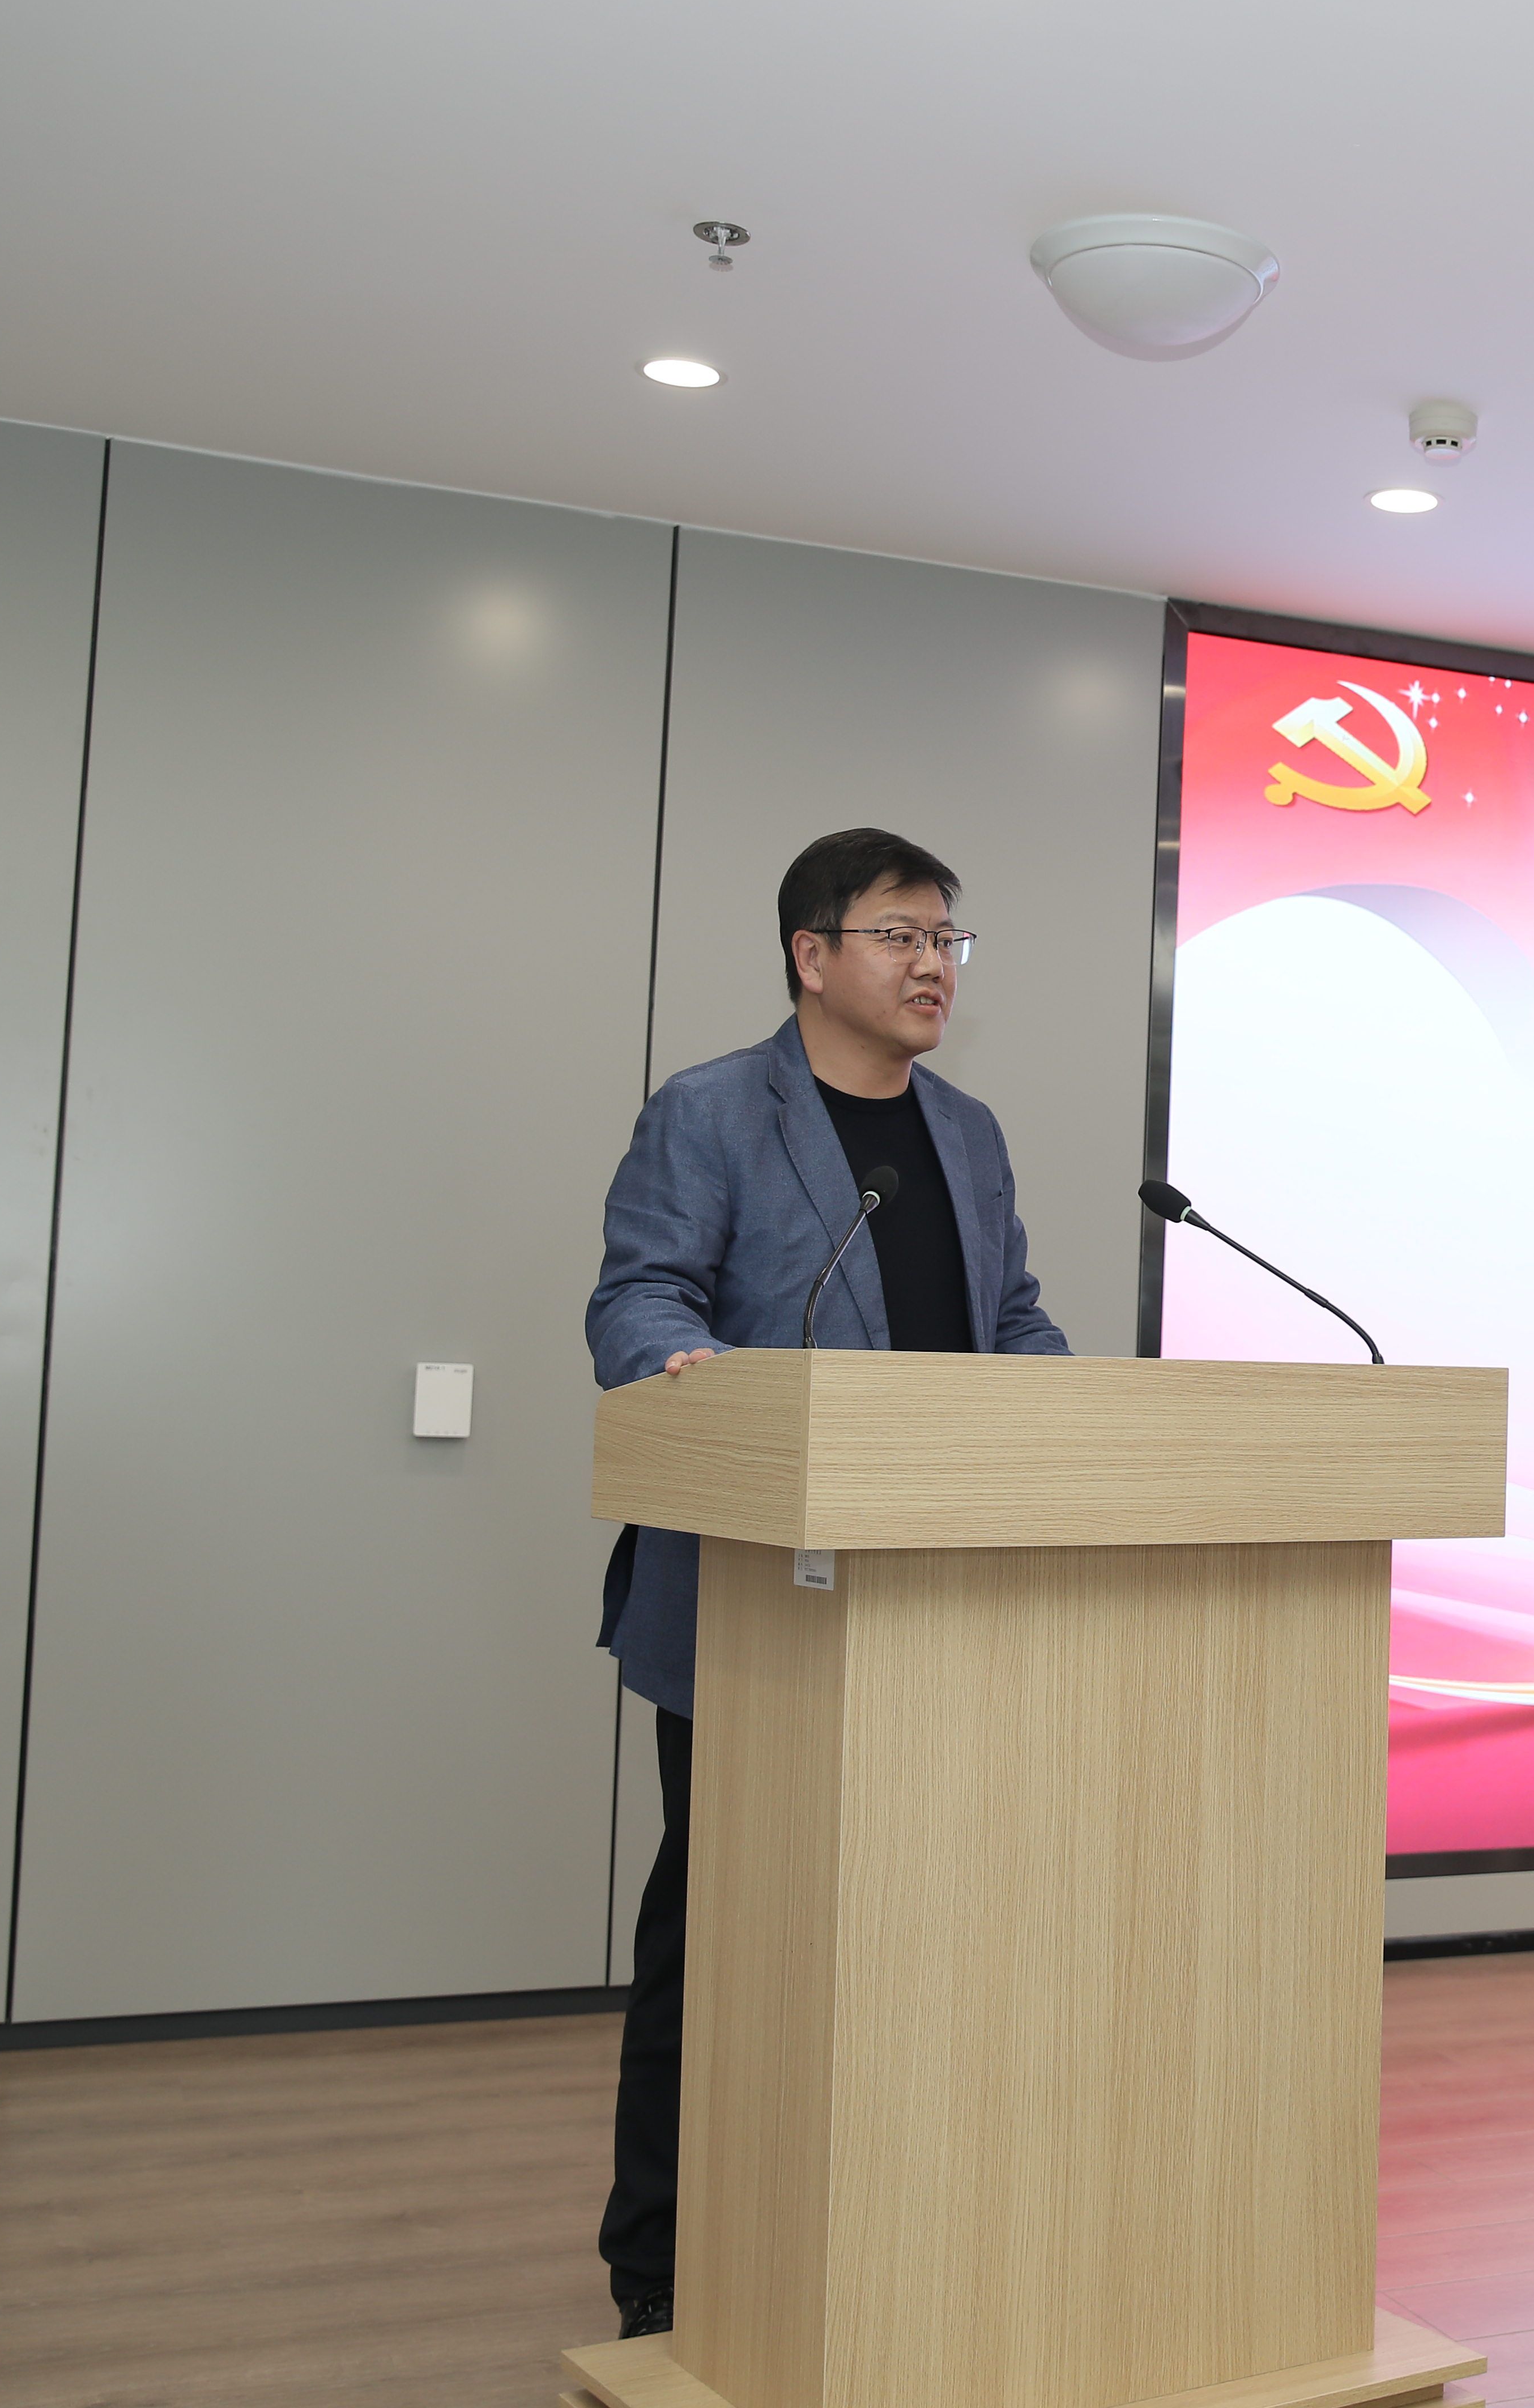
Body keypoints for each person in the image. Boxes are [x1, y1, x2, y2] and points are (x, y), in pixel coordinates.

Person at [582, 826, 1069, 2339]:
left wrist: (1071, 1409)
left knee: (925, 1931)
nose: (934, 966)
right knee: (722, 1934)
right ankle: (664, 2268)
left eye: (947, 940)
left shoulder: (967, 1133)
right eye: (901, 936)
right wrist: (689, 1370)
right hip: (759, 1606)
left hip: (940, 1601)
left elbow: (1013, 1320)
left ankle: (889, 2231)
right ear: (812, 954)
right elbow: (640, 1294)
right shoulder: (714, 1111)